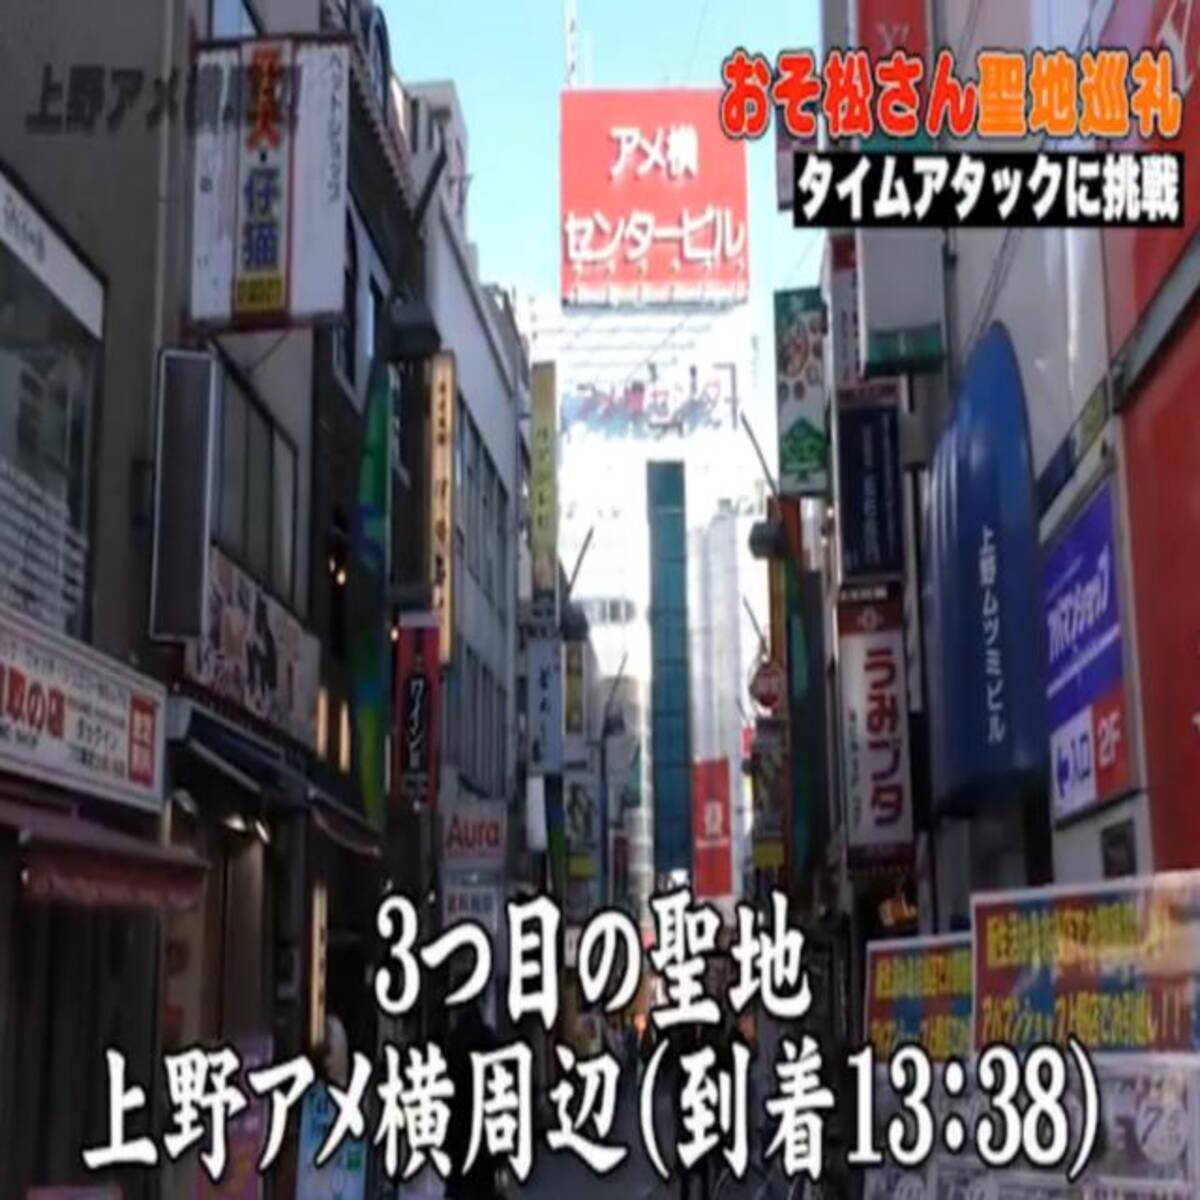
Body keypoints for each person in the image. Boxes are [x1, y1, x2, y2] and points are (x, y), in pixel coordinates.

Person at [445, 999, 501, 1200]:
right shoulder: (489, 1040)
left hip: (459, 1129)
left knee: (462, 1183)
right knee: (483, 1184)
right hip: (484, 1128)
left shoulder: (453, 1043)